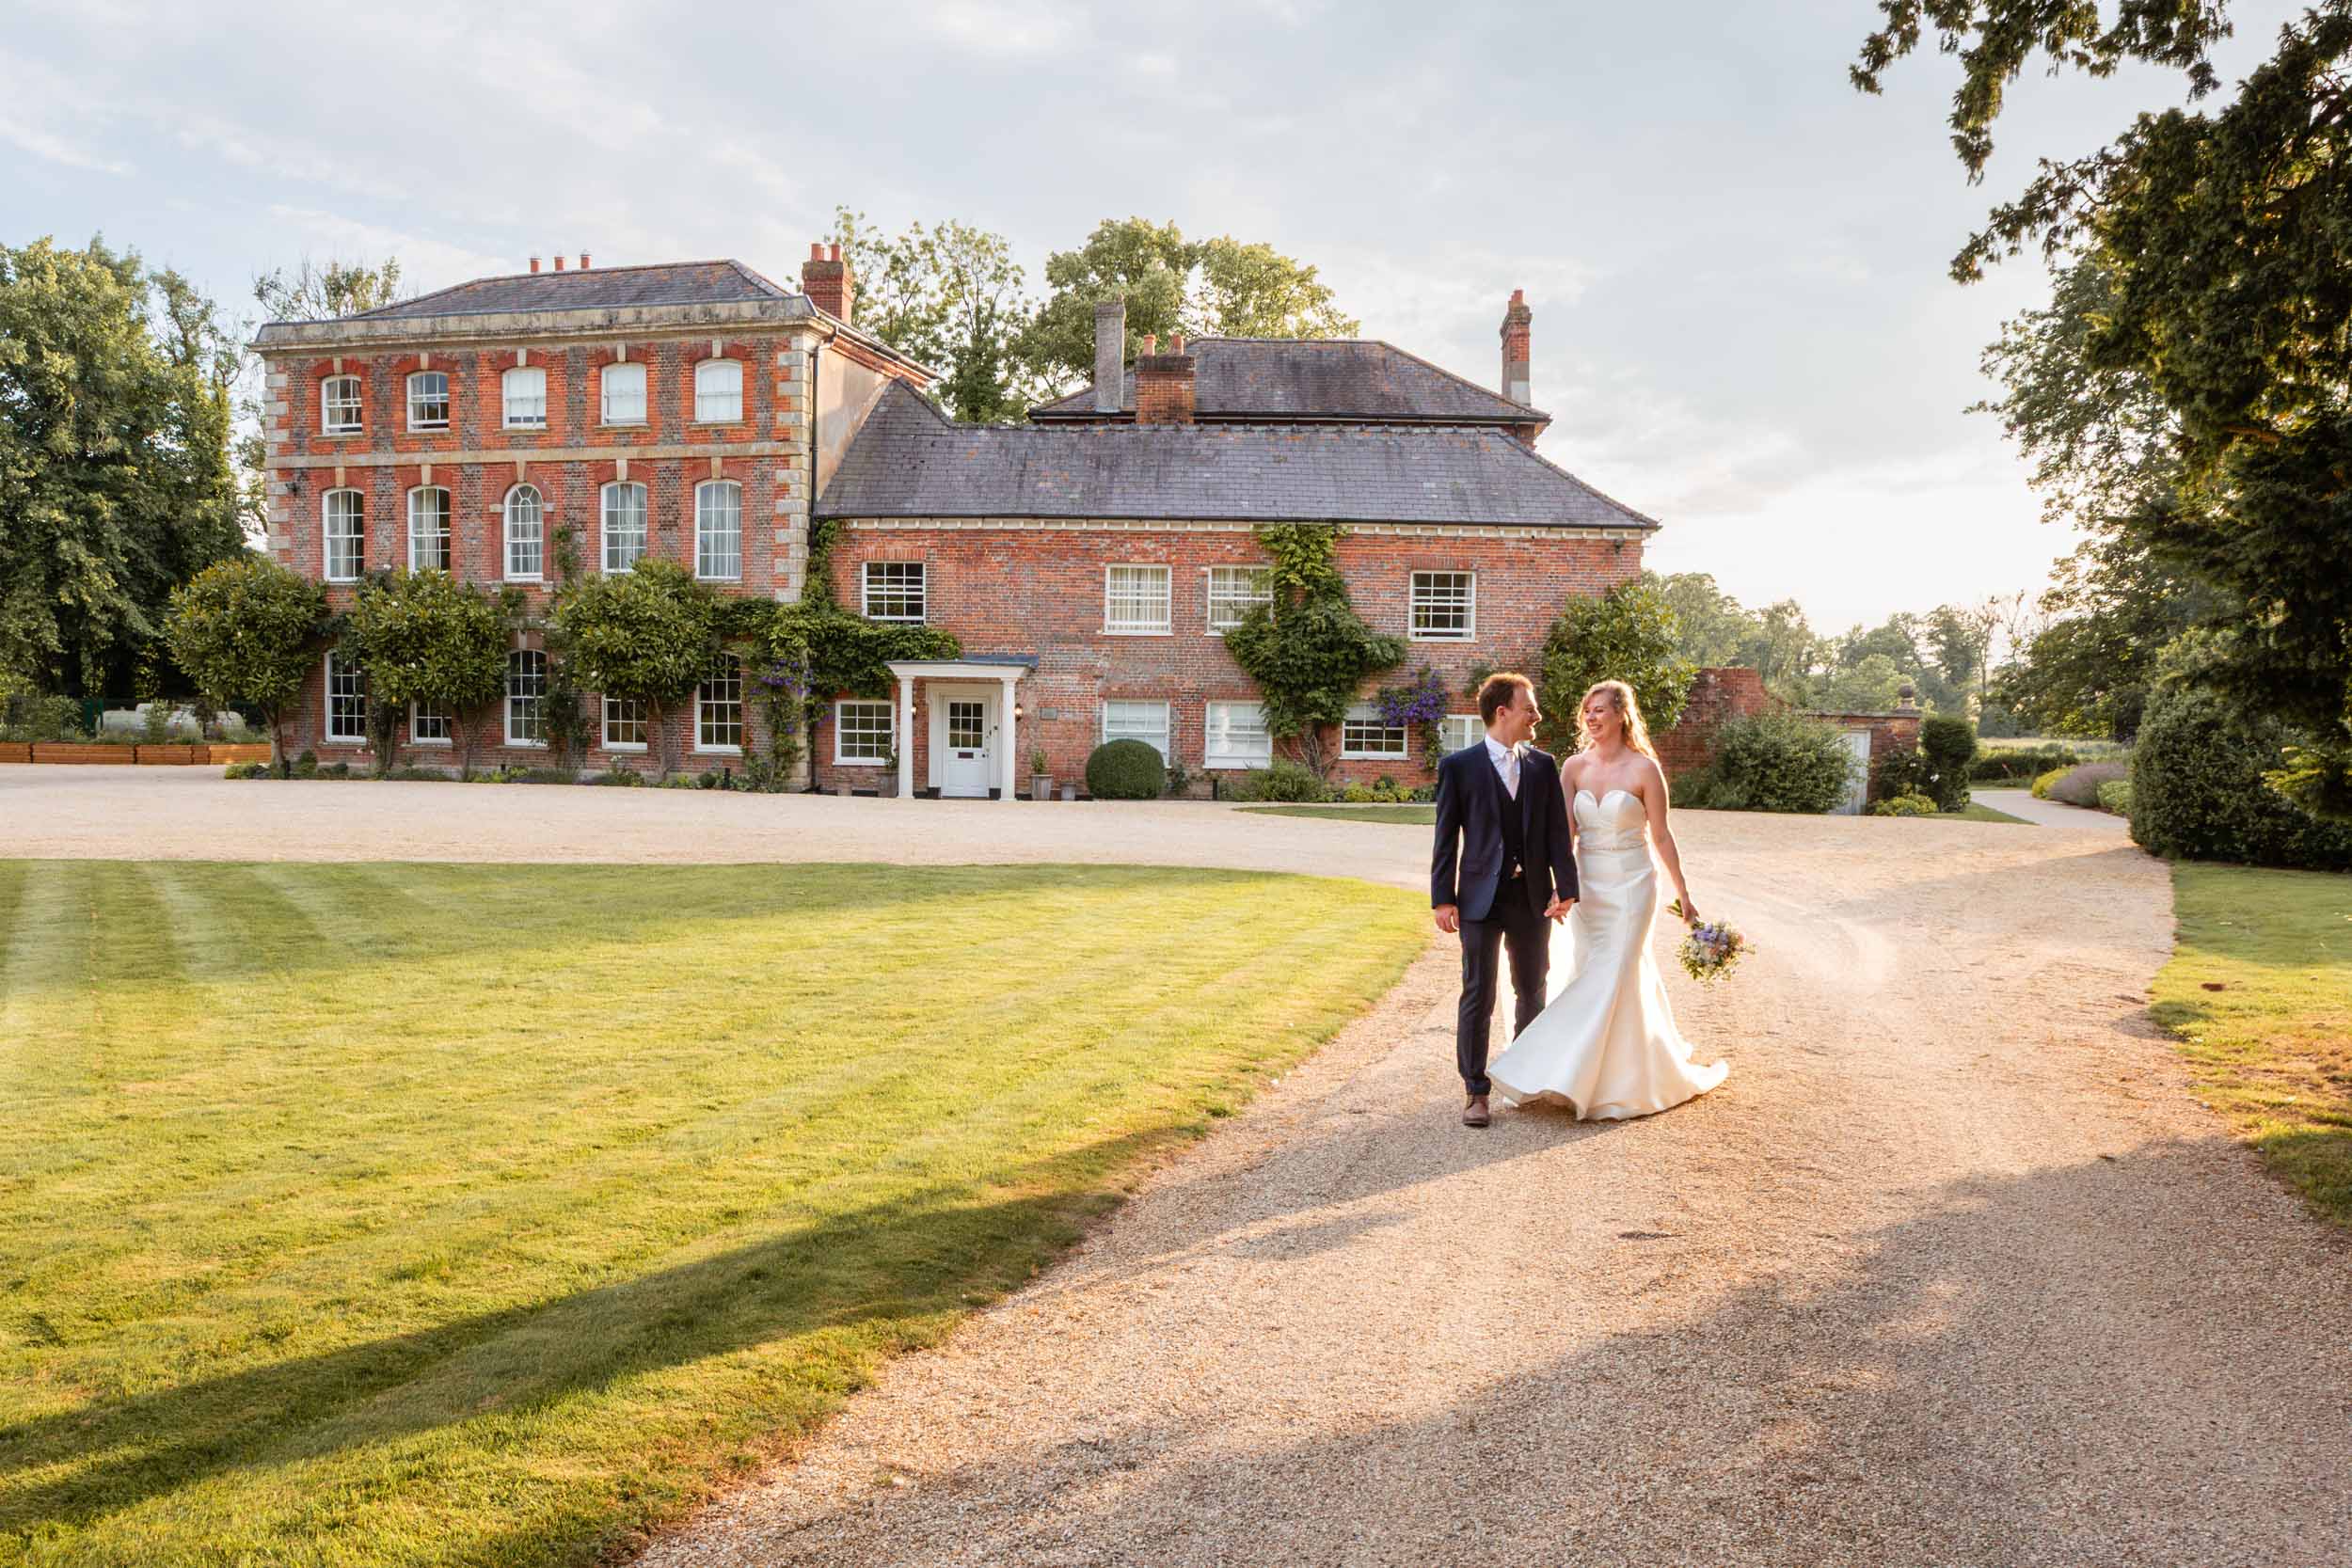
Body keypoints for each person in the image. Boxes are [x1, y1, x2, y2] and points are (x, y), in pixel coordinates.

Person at [1485, 679, 1729, 1120]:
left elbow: (1661, 835)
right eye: (1587, 711)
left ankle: (1600, 1079)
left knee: (1614, 972)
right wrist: (1559, 888)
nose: (1592, 718)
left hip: (1634, 885)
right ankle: (1580, 1073)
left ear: (1622, 715)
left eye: (1600, 710)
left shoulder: (1644, 770)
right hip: (1589, 887)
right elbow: (1564, 838)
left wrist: (1684, 894)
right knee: (1592, 972)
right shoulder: (1573, 768)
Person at [1429, 672, 1577, 1129]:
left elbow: (1557, 834)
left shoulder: (1542, 765)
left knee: (1532, 988)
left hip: (1531, 897)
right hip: (1478, 898)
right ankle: (1476, 1090)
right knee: (1479, 991)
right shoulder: (1459, 767)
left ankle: (1524, 1077)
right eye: (1530, 708)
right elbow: (1445, 838)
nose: (1537, 716)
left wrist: (1566, 887)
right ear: (1503, 712)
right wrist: (1443, 898)